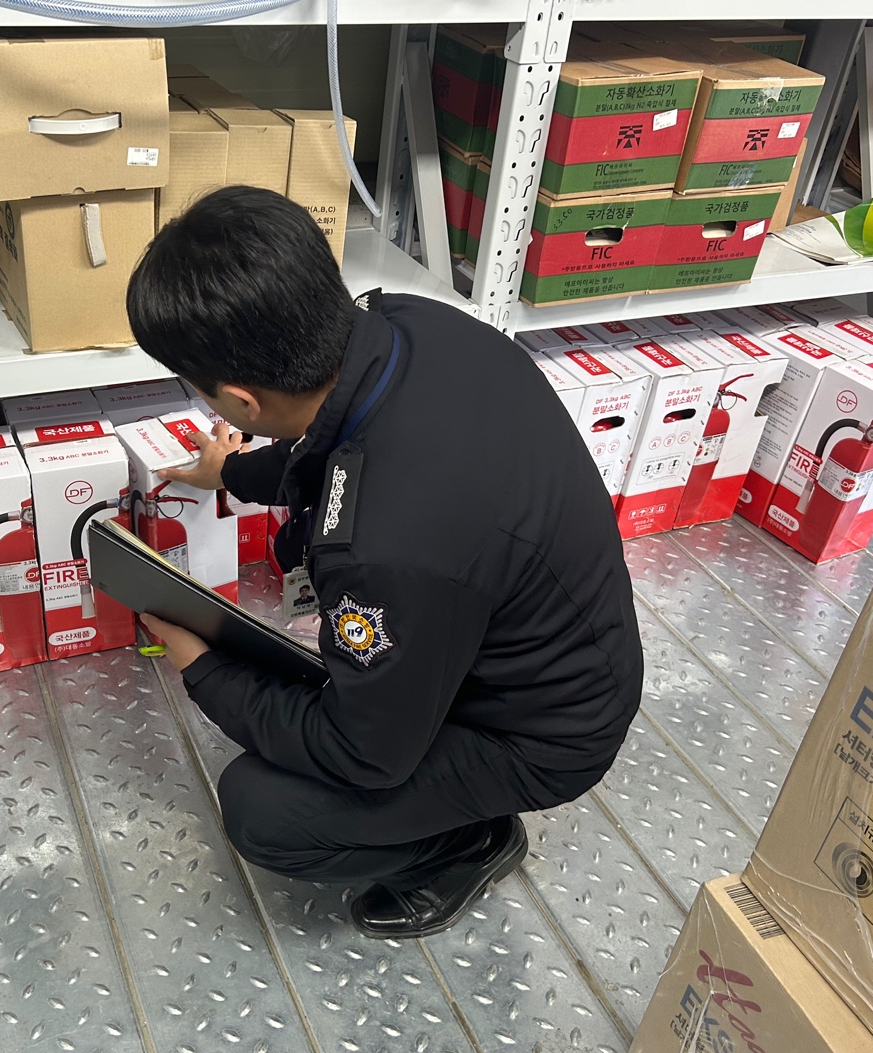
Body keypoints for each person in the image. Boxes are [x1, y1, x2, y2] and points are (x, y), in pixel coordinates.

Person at [128, 186, 643, 939]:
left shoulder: (385, 549)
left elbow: (361, 754)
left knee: (264, 810)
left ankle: (469, 843)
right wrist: (232, 472)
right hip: (541, 645)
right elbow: (334, 445)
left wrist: (203, 670)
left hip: (542, 735)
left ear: (240, 400)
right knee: (306, 686)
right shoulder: (412, 325)